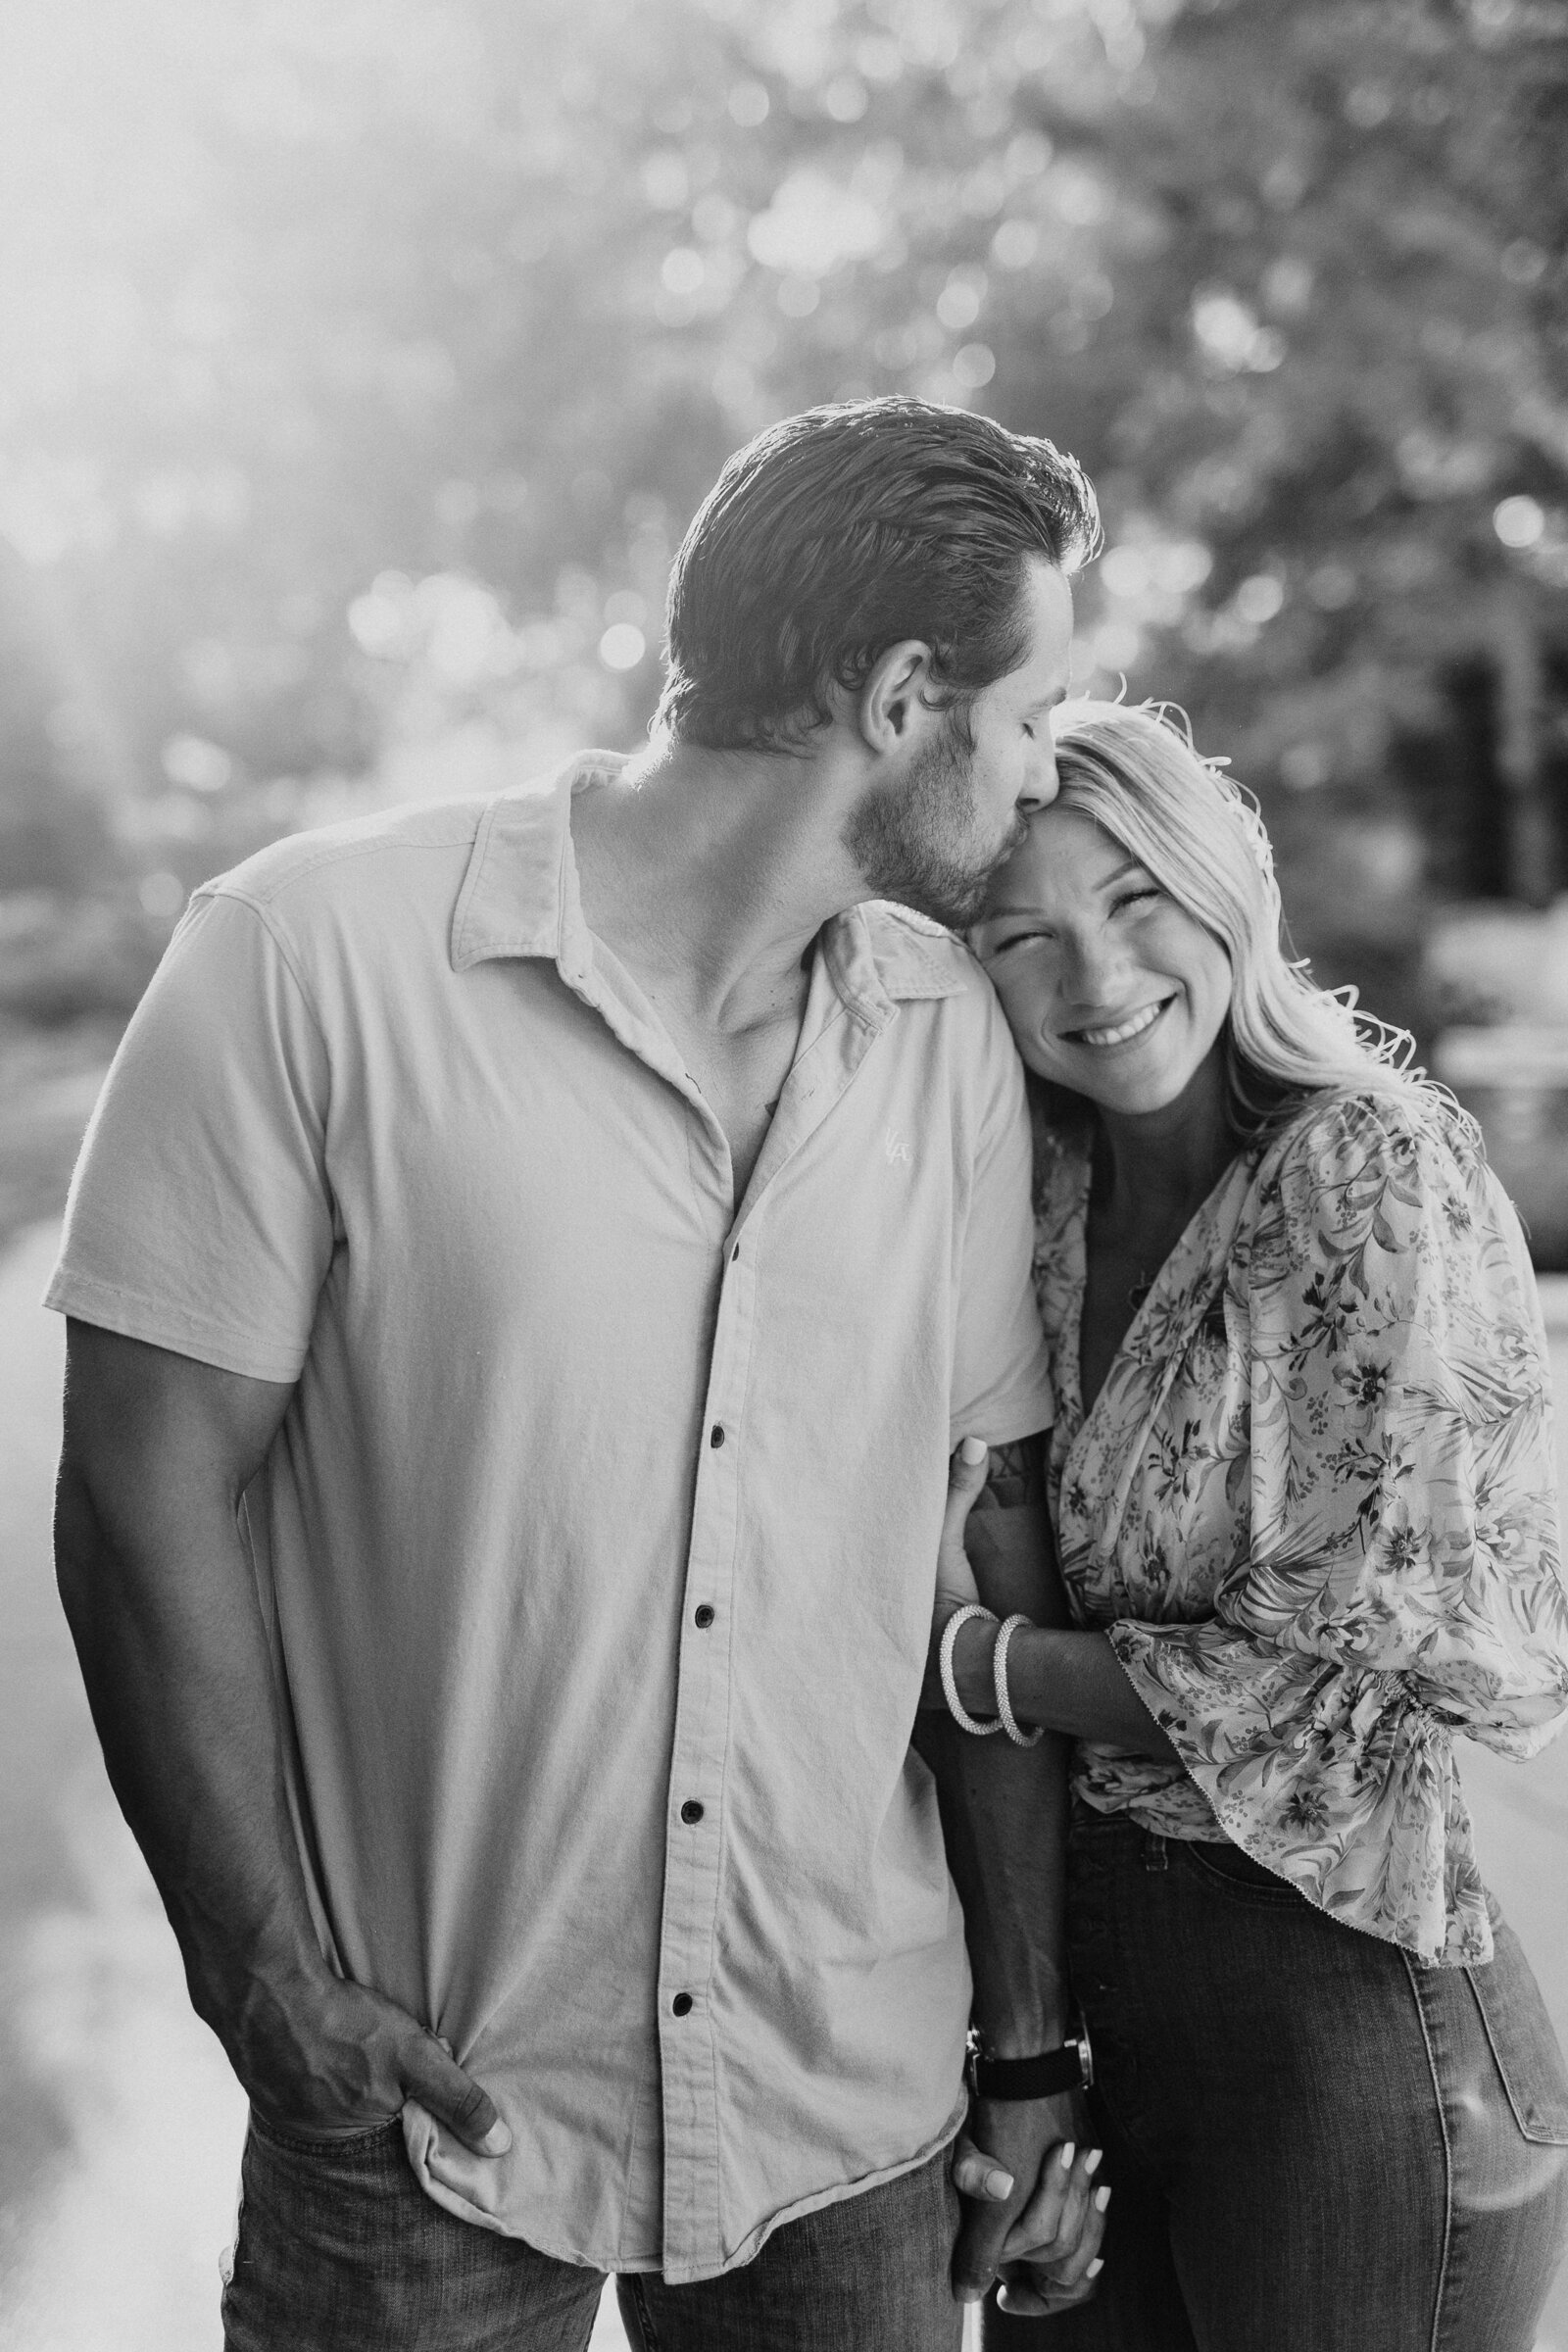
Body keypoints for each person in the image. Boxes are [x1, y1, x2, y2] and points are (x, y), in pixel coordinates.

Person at [49, 398, 1108, 2351]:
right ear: (896, 699)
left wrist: (1024, 2043)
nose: (1040, 774)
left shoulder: (948, 1041)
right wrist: (260, 1981)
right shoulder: (307, 958)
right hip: (425, 2116)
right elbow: (138, 1491)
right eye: (1031, 713)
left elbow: (985, 1534)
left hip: (847, 2112)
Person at [933, 699, 1568, 2347]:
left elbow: (1349, 1670)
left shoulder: (1366, 1172)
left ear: (1221, 889)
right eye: (1023, 936)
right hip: (1089, 1974)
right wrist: (1031, 2048)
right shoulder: (1031, 1200)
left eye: (1133, 898)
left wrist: (979, 1666)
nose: (1093, 976)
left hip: (1346, 1999)